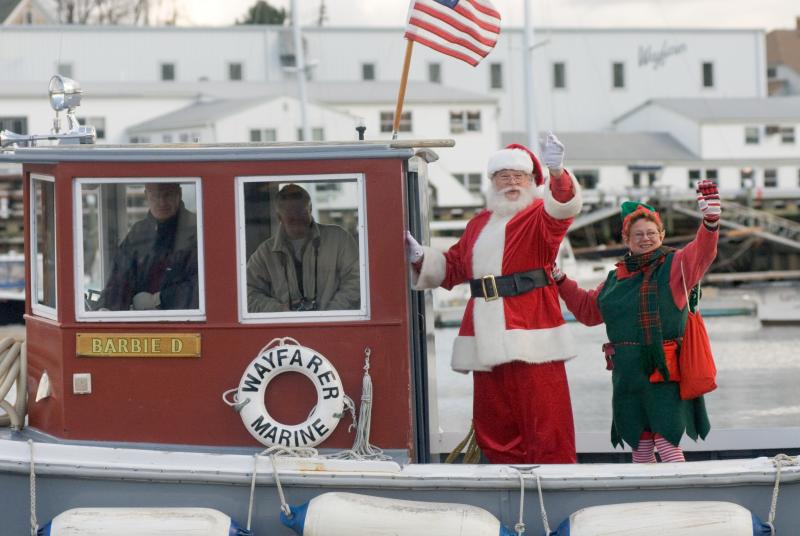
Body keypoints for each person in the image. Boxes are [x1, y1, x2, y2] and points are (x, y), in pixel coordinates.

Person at [406, 134, 582, 464]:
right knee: (493, 422)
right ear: (492, 182)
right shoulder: (478, 225)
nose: (511, 183)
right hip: (484, 334)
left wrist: (557, 173)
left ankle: (557, 483)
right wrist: (420, 257)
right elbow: (456, 267)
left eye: (519, 176)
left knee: (545, 420)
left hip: (532, 332)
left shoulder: (538, 218)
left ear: (532, 182)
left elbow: (563, 208)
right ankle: (502, 484)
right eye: (504, 176)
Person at [553, 180, 721, 463]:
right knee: (640, 448)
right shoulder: (614, 279)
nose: (646, 238)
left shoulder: (676, 266)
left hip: (663, 372)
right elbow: (587, 311)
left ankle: (684, 500)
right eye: (638, 234)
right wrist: (560, 279)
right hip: (626, 375)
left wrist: (711, 222)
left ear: (662, 234)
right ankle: (649, 503)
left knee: (667, 445)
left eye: (651, 232)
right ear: (626, 239)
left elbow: (703, 252)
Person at [247, 183, 360, 312]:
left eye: (301, 211)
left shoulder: (340, 239)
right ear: (279, 217)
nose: (297, 218)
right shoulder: (264, 253)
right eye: (290, 213)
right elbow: (247, 293)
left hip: (334, 327)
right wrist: (279, 310)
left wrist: (331, 314)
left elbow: (357, 281)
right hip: (285, 330)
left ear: (310, 209)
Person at [98, 182, 198, 311]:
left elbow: (204, 284)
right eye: (155, 196)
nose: (162, 202)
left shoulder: (197, 230)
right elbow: (120, 279)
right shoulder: (138, 232)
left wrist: (161, 299)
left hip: (186, 322)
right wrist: (105, 307)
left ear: (179, 194)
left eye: (168, 195)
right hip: (141, 324)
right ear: (146, 196)